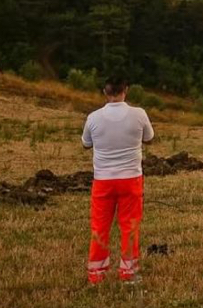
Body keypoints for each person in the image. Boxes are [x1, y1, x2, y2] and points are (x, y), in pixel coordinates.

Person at [81, 77, 154, 284]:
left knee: (100, 226)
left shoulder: (93, 117)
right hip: (131, 178)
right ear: (126, 90)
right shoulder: (139, 114)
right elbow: (149, 138)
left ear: (105, 92)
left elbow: (86, 144)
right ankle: (128, 273)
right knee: (130, 226)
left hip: (103, 180)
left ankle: (96, 274)